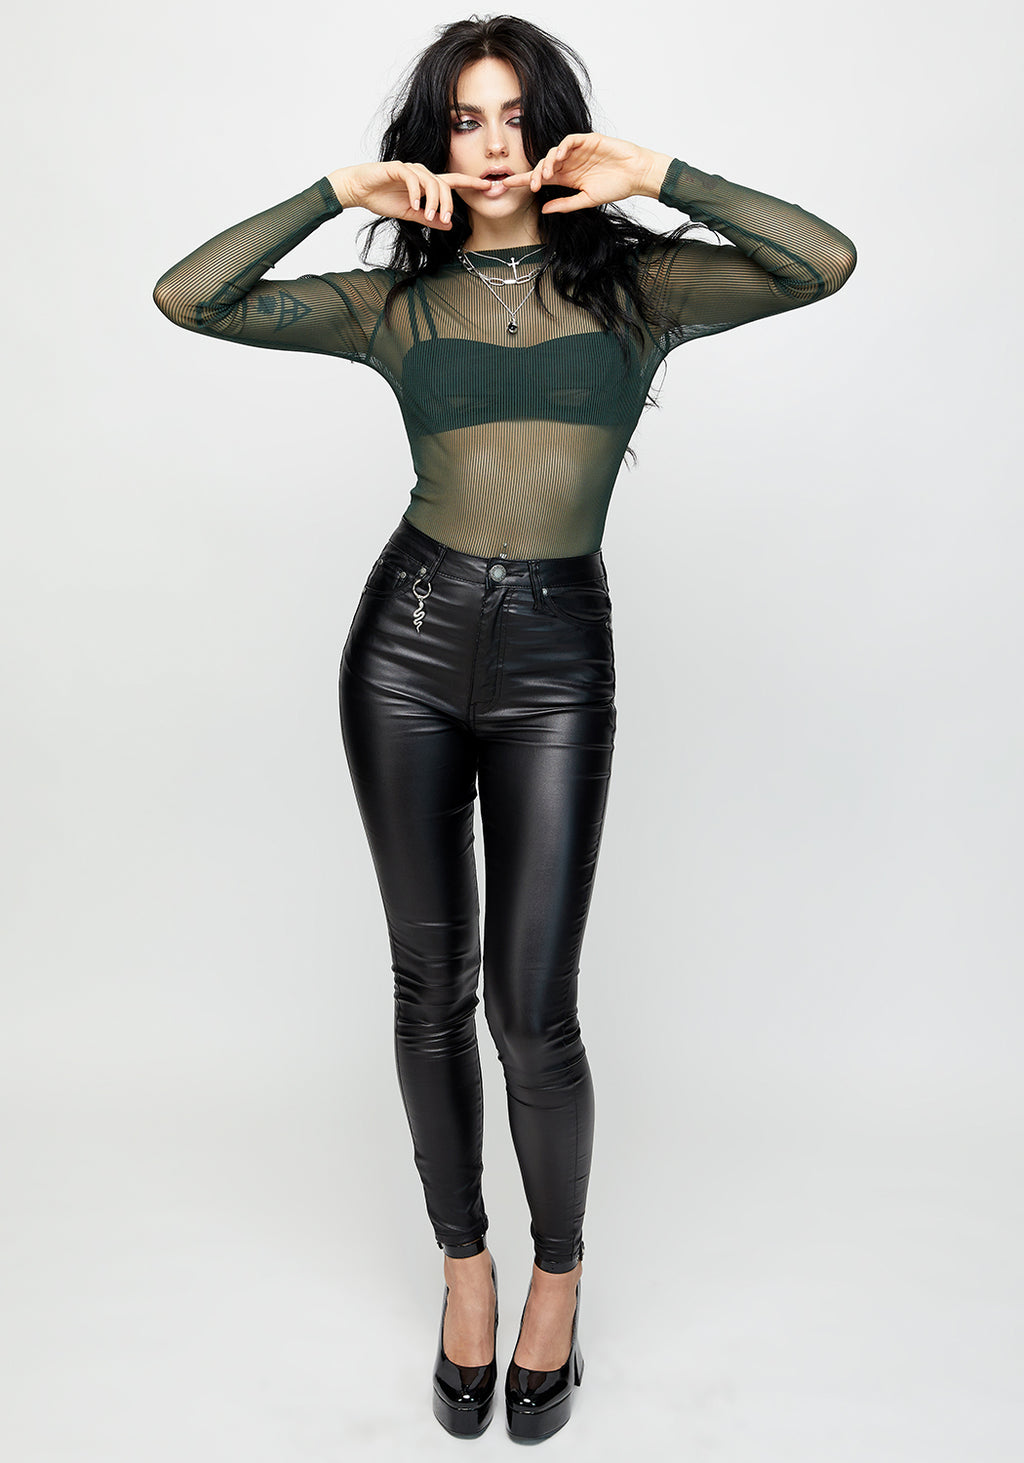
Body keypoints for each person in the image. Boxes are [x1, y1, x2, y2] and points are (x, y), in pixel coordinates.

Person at [152, 11, 856, 1443]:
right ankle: (464, 1270)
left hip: (554, 660)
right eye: (465, 119)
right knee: (431, 989)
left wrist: (666, 176)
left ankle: (559, 1279)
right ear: (436, 139)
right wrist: (335, 193)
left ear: (556, 133)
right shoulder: (391, 307)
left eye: (516, 115)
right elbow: (188, 296)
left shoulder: (645, 289)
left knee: (533, 1013)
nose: (490, 145)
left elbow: (822, 260)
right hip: (404, 650)